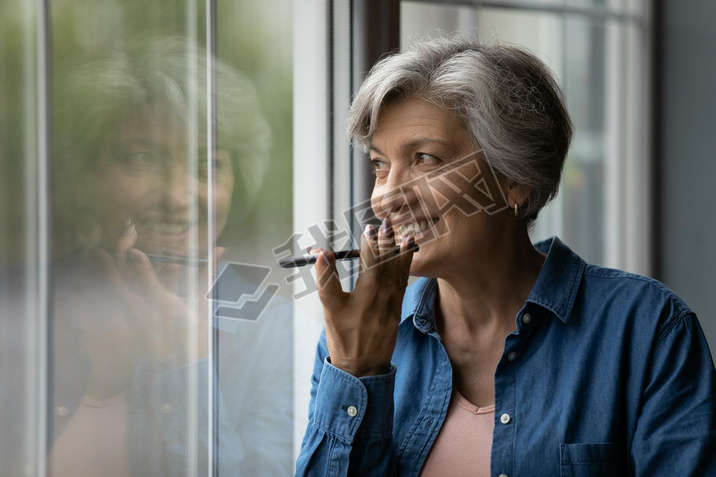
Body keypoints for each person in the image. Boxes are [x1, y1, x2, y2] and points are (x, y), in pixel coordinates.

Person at [295, 35, 716, 476]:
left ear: (515, 181)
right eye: (380, 164)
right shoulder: (357, 337)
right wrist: (357, 370)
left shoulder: (648, 329)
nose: (386, 198)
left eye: (424, 159)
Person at [43, 36, 294, 476]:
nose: (179, 196)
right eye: (142, 159)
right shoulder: (22, 304)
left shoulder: (277, 334)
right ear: (86, 175)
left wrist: (185, 359)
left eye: (208, 164)